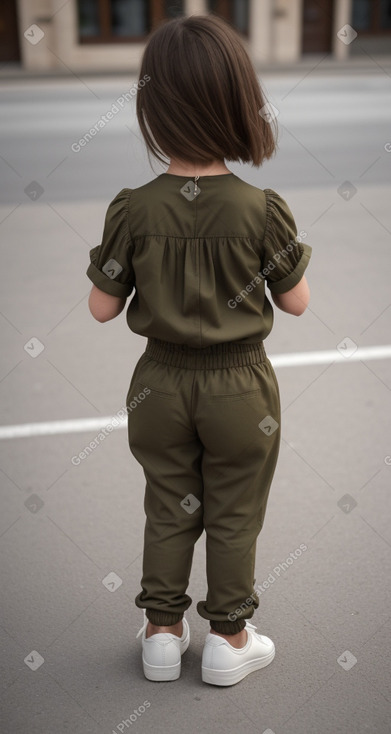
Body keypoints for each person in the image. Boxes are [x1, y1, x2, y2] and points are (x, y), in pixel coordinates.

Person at [86, 13, 312, 687]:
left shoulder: (132, 208)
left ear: (152, 109)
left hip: (157, 383)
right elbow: (296, 302)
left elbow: (102, 307)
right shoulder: (259, 208)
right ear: (238, 105)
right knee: (233, 512)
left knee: (169, 503)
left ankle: (160, 634)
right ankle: (228, 638)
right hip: (240, 387)